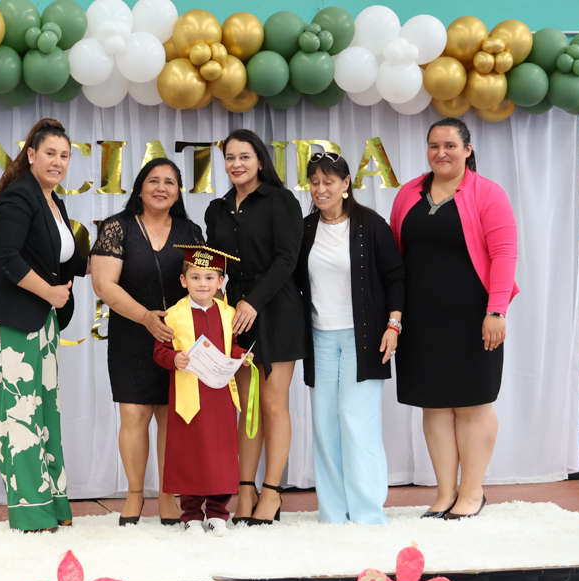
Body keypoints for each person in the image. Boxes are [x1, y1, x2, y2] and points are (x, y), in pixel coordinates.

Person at [389, 117, 519, 520]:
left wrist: (496, 311)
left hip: (473, 316)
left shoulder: (488, 193)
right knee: (434, 405)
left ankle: (472, 492)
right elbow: (396, 255)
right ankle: (445, 493)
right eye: (434, 146)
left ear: (467, 150)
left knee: (472, 404)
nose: (441, 153)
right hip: (421, 318)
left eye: (449, 145)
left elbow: (504, 255)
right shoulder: (408, 193)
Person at [0, 118, 88, 532]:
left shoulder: (53, 200)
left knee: (44, 414)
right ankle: (30, 512)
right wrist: (52, 294)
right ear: (31, 155)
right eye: (50, 153)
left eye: (65, 155)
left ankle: (52, 504)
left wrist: (116, 256)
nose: (58, 162)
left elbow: (65, 259)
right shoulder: (18, 196)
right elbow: (6, 259)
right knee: (19, 417)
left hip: (42, 322)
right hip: (12, 321)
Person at [91, 158, 204, 526]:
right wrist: (145, 318)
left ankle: (168, 496)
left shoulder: (190, 231)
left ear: (178, 192)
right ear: (139, 188)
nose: (161, 188)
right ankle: (135, 495)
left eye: (170, 182)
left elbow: (205, 281)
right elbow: (103, 284)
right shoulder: (117, 227)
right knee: (134, 416)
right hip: (132, 333)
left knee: (172, 419)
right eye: (153, 180)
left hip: (177, 338)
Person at [294, 152, 404, 525]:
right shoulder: (305, 229)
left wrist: (393, 325)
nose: (320, 189)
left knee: (357, 423)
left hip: (364, 338)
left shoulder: (370, 224)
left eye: (329, 181)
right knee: (326, 426)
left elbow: (395, 276)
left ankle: (368, 513)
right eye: (315, 182)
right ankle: (333, 514)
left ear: (345, 184)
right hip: (319, 339)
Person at [204, 129, 306, 525]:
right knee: (247, 406)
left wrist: (254, 301)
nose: (237, 164)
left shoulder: (281, 200)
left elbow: (287, 259)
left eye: (244, 156)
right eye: (230, 157)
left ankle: (272, 492)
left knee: (272, 403)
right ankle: (245, 490)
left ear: (260, 160)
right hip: (236, 311)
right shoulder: (217, 209)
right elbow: (215, 265)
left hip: (277, 306)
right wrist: (216, 303)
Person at [153, 245, 252, 535]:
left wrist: (242, 356)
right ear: (183, 281)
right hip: (189, 397)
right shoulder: (173, 315)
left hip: (219, 396)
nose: (202, 284)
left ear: (220, 282)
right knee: (190, 454)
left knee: (221, 454)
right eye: (195, 277)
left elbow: (231, 346)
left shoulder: (228, 313)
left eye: (209, 278)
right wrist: (174, 359)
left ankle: (218, 514)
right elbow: (160, 351)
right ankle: (192, 515)